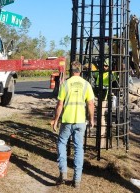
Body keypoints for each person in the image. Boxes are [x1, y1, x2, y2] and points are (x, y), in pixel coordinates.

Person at [51, 60, 95, 189]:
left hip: (67, 121)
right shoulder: (86, 85)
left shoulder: (65, 84)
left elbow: (59, 104)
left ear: (71, 70)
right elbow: (91, 104)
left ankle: (63, 172)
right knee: (78, 148)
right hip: (80, 121)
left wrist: (56, 119)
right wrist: (91, 119)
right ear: (81, 71)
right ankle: (77, 180)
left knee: (61, 143)